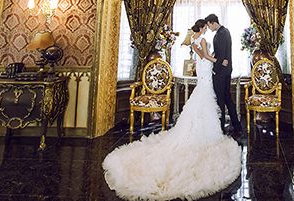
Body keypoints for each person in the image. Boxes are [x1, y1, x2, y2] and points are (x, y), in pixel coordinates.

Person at [102, 19, 241, 201]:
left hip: (202, 73)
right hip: (207, 73)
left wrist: (210, 56)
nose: (207, 29)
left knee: (200, 102)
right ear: (202, 27)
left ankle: (197, 130)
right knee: (206, 101)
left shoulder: (193, 40)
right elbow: (206, 57)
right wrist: (220, 60)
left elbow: (200, 55)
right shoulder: (203, 40)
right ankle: (208, 133)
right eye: (205, 27)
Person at [205, 14, 242, 134]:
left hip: (220, 71)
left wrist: (215, 69)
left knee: (220, 99)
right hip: (227, 70)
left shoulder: (220, 34)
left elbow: (221, 55)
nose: (209, 28)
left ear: (212, 22)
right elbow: (223, 53)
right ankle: (237, 125)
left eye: (208, 25)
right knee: (227, 98)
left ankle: (220, 127)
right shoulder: (226, 31)